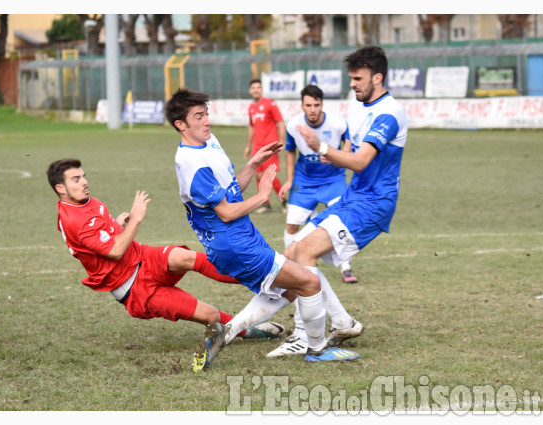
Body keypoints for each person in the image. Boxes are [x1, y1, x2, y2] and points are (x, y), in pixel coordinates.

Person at [166, 88, 362, 369]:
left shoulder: (208, 143)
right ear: (180, 125)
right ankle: (318, 349)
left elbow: (230, 190)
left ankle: (227, 330)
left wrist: (253, 164)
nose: (207, 120)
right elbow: (226, 212)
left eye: (206, 113)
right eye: (199, 116)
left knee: (289, 292)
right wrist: (261, 196)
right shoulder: (191, 163)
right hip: (235, 244)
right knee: (310, 282)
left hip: (239, 240)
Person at [47, 158, 285, 373]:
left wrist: (117, 225)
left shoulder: (88, 202)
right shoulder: (74, 220)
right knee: (210, 315)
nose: (84, 182)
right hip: (132, 287)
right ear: (61, 188)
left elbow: (105, 238)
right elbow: (115, 250)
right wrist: (137, 219)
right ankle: (245, 329)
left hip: (142, 256)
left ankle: (264, 274)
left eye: (84, 175)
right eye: (76, 179)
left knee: (185, 257)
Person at [272, 45, 408, 358]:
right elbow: (351, 152)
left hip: (373, 203)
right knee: (292, 253)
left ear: (378, 77)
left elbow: (360, 161)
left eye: (358, 78)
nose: (352, 84)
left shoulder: (390, 112)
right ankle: (342, 321)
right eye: (350, 79)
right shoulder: (358, 104)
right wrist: (334, 156)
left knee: (303, 252)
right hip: (354, 196)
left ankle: (308, 338)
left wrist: (322, 147)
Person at [279, 84, 358, 284]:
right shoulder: (293, 125)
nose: (312, 109)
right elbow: (289, 151)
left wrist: (337, 157)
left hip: (333, 178)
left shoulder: (337, 123)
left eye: (316, 105)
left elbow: (348, 144)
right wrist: (289, 180)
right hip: (304, 180)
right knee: (292, 225)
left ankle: (346, 267)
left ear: (322, 104)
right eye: (308, 105)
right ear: (302, 105)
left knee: (342, 220)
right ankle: (294, 268)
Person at [246, 78, 287, 214]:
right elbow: (252, 128)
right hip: (257, 147)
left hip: (270, 146)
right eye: (253, 88)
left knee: (270, 175)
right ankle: (266, 204)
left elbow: (280, 123)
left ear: (261, 90)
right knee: (258, 176)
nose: (256, 90)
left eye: (258, 87)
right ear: (250, 91)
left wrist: (281, 142)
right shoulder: (251, 108)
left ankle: (284, 202)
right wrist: (249, 146)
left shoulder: (270, 104)